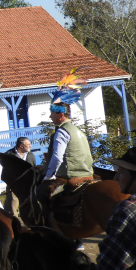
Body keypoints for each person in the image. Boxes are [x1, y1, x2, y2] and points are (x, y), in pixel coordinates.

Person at [35, 84, 94, 227]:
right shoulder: (78, 131)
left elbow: (57, 157)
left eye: (52, 113)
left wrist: (48, 176)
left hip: (71, 177)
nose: (50, 116)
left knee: (39, 194)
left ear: (60, 115)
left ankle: (47, 227)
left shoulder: (61, 132)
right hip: (88, 174)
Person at [1, 137, 36, 215]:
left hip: (28, 186)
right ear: (21, 146)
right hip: (14, 185)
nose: (30, 146)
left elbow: (33, 166)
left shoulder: (30, 154)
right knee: (13, 206)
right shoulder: (9, 155)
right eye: (28, 144)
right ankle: (15, 220)